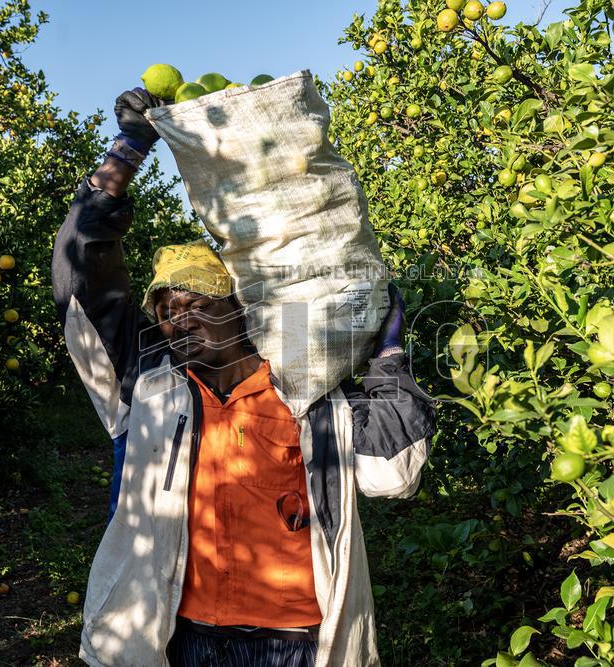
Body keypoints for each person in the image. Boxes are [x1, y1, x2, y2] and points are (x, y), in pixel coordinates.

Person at [51, 88, 436, 667]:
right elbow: (82, 275)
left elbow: (392, 475)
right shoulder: (146, 385)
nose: (180, 316)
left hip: (301, 640)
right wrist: (128, 149)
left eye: (198, 299)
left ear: (239, 308)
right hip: (179, 634)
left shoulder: (307, 389)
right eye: (167, 307)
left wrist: (388, 360)